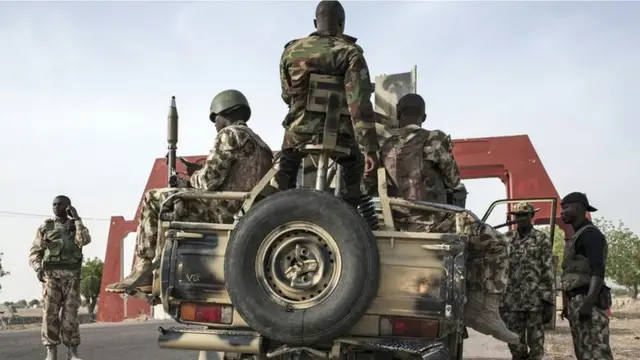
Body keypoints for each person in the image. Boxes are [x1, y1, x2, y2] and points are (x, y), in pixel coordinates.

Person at [375, 93, 519, 344]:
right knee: (497, 243)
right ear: (424, 116)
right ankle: (483, 310)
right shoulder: (433, 138)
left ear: (398, 115)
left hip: (393, 222)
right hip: (433, 222)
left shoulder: (382, 145)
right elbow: (453, 180)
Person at [105, 89, 273, 294]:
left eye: (216, 118)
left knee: (153, 198)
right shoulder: (261, 145)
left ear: (224, 111)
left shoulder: (230, 134)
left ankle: (144, 269)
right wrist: (198, 172)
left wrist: (190, 180)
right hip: (243, 210)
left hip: (222, 212)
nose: (215, 124)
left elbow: (207, 182)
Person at [274, 0, 379, 208]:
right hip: (342, 135)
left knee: (287, 166)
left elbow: (287, 96)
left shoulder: (290, 51)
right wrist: (370, 149)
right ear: (342, 24)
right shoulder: (351, 53)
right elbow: (358, 104)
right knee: (354, 166)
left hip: (299, 134)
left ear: (315, 22)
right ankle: (350, 213)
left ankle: (280, 208)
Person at [28, 195, 91, 360]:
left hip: (72, 277)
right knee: (50, 314)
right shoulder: (46, 227)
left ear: (68, 207)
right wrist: (37, 268)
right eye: (53, 204)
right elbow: (35, 252)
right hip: (51, 277)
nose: (55, 207)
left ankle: (72, 352)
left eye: (59, 204)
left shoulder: (75, 226)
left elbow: (84, 240)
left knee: (71, 314)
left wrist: (76, 219)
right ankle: (51, 352)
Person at [559, 192, 613, 360]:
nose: (562, 212)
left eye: (566, 207)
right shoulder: (577, 236)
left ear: (578, 207)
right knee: (584, 353)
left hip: (589, 302)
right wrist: (567, 306)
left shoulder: (590, 235)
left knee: (596, 352)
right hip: (578, 301)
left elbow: (598, 270)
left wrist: (589, 302)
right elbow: (569, 275)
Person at [500, 202, 555, 360]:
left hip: (535, 303)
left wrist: (549, 302)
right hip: (511, 303)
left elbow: (548, 271)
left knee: (536, 346)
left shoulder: (541, 239)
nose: (521, 218)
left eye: (525, 215)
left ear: (532, 216)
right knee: (515, 344)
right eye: (518, 216)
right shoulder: (505, 239)